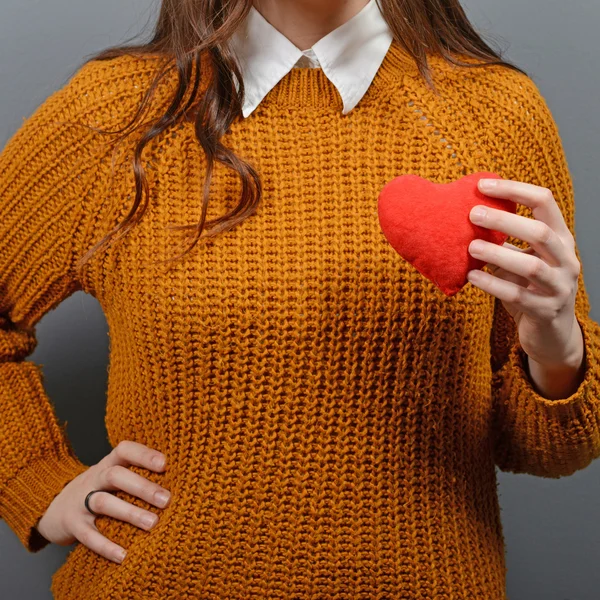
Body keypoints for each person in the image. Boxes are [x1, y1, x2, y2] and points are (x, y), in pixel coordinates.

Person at [1, 0, 599, 598]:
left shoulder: (494, 114)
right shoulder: (118, 113)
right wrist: (36, 480)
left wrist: (555, 344)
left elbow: (548, 448)